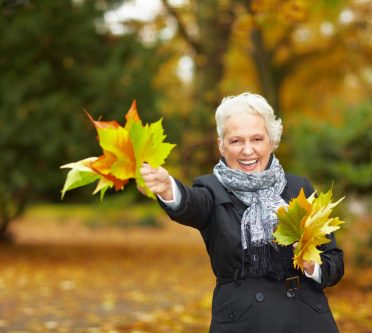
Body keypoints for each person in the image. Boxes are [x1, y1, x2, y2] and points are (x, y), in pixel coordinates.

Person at [139, 92, 344, 333]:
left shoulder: (299, 189)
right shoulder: (211, 190)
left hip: (307, 318)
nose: (248, 151)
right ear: (221, 146)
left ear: (272, 140)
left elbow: (335, 261)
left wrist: (313, 267)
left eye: (257, 139)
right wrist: (167, 188)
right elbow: (191, 204)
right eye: (236, 141)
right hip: (245, 321)